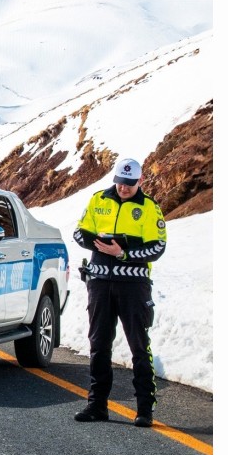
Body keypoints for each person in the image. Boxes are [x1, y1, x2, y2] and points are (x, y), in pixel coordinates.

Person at [72, 157, 167, 427]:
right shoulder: (98, 199)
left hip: (134, 287)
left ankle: (145, 410)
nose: (123, 188)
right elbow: (79, 233)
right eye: (120, 183)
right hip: (100, 282)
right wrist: (98, 244)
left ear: (140, 181)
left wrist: (123, 253)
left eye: (129, 184)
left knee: (138, 345)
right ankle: (96, 405)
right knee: (98, 344)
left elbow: (157, 247)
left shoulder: (149, 208)